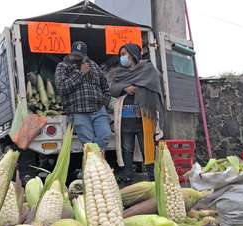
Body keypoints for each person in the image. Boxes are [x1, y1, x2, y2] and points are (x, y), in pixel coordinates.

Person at [109, 43, 164, 183]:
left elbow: (153, 85)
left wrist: (138, 89)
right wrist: (125, 88)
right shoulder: (119, 72)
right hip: (125, 119)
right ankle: (128, 175)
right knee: (127, 149)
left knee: (147, 147)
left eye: (124, 54)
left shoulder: (147, 69)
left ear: (133, 54)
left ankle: (152, 175)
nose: (122, 57)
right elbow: (113, 88)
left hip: (143, 118)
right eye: (121, 55)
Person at [55, 41, 112, 152]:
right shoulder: (63, 66)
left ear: (85, 55)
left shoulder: (94, 65)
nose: (76, 58)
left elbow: (104, 85)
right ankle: (94, 165)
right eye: (75, 55)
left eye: (79, 56)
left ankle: (96, 160)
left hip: (98, 110)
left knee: (105, 135)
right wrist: (80, 73)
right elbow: (62, 88)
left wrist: (104, 101)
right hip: (78, 111)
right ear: (70, 53)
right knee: (88, 143)